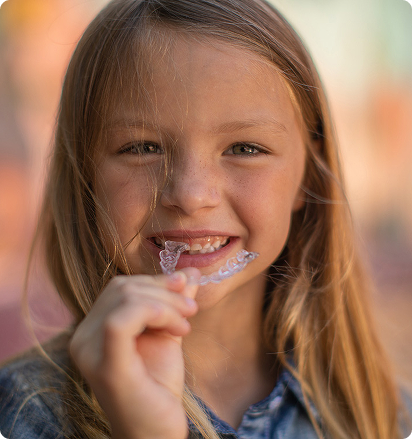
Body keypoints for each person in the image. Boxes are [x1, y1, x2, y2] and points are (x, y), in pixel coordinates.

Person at [0, 0, 411, 438]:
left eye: (245, 148)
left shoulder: (385, 415)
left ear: (307, 174)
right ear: (85, 176)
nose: (191, 196)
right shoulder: (25, 413)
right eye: (142, 148)